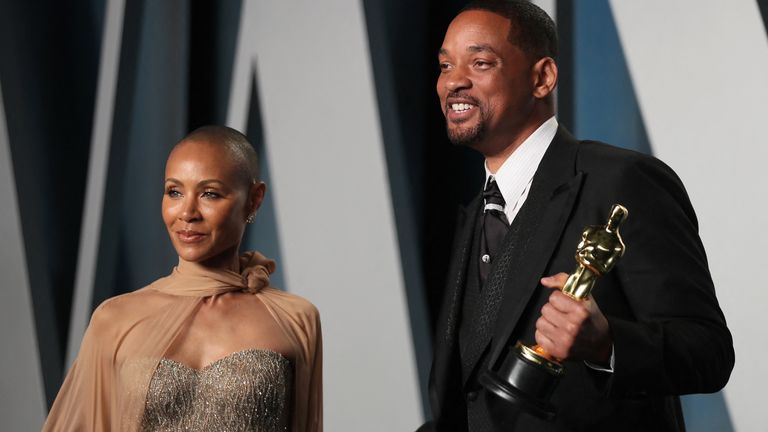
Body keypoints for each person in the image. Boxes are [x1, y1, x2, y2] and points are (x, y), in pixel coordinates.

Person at [421, 1, 734, 431]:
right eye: (444, 66)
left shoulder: (623, 179)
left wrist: (607, 344)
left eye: (480, 62)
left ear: (542, 77)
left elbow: (708, 352)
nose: (453, 81)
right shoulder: (474, 216)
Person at [43, 126, 322, 431]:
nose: (187, 212)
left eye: (210, 194)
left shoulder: (294, 318)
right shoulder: (114, 319)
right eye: (174, 192)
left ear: (254, 200)